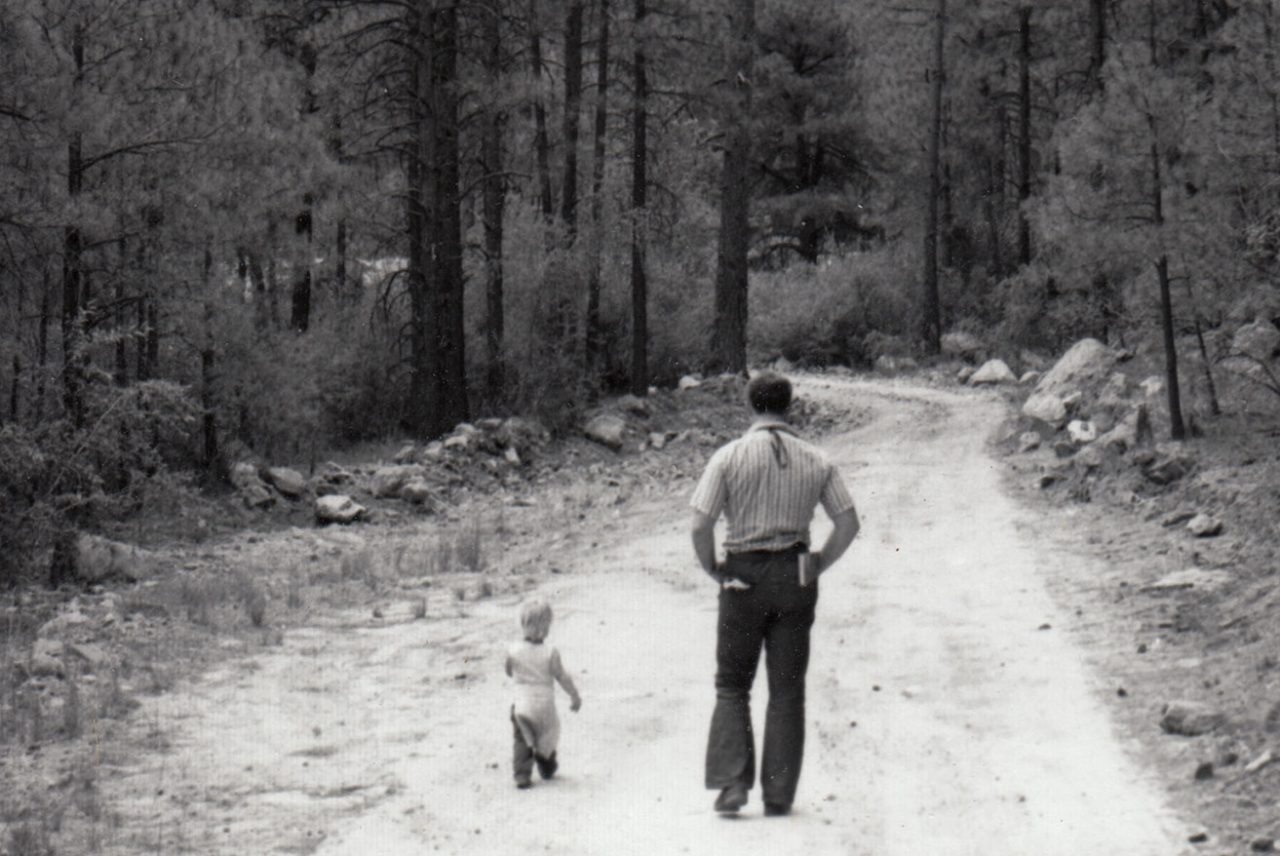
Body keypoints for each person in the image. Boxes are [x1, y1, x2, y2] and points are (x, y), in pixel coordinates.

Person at [690, 372, 860, 817]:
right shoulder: (817, 460)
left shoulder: (728, 458)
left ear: (750, 406)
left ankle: (731, 785)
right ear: (791, 406)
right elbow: (848, 522)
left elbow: (700, 523)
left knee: (732, 683)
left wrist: (713, 569)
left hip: (742, 573)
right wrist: (818, 561)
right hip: (794, 573)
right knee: (787, 690)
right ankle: (779, 793)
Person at [505, 599, 582, 789]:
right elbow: (562, 676)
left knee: (521, 738)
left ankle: (522, 774)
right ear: (547, 628)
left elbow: (508, 670)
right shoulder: (550, 652)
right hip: (545, 705)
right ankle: (546, 766)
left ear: (523, 624)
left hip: (522, 704)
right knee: (547, 736)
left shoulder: (513, 650)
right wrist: (574, 695)